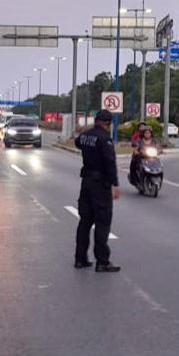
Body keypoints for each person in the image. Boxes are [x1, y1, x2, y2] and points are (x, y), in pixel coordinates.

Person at [74, 109, 122, 273]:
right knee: (102, 223)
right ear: (108, 124)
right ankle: (102, 261)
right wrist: (115, 184)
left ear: (96, 120)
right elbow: (110, 161)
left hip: (86, 183)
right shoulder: (104, 138)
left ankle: (80, 259)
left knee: (85, 221)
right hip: (100, 185)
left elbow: (77, 142)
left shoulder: (86, 136)